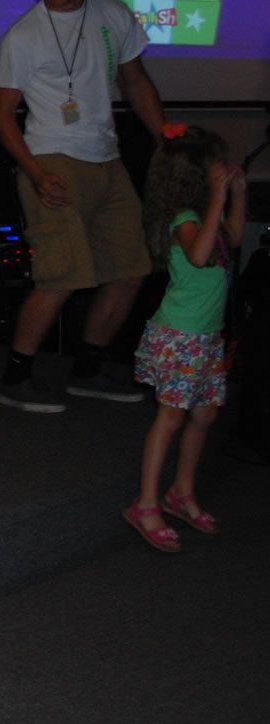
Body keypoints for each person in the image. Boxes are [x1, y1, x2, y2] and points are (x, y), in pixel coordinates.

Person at [0, 0, 167, 413]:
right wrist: (34, 173)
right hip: (51, 158)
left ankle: (87, 369)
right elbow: (2, 114)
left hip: (107, 159)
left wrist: (164, 138)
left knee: (132, 267)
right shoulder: (24, 36)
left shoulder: (112, 13)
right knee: (62, 275)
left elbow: (135, 81)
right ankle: (16, 375)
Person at [125, 127, 245, 552]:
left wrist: (238, 194)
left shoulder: (205, 215)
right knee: (172, 416)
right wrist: (216, 198)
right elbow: (198, 254)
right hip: (180, 336)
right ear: (195, 175)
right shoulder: (184, 218)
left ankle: (182, 491)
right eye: (215, 166)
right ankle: (145, 504)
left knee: (205, 414)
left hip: (206, 337)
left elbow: (232, 237)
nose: (221, 172)